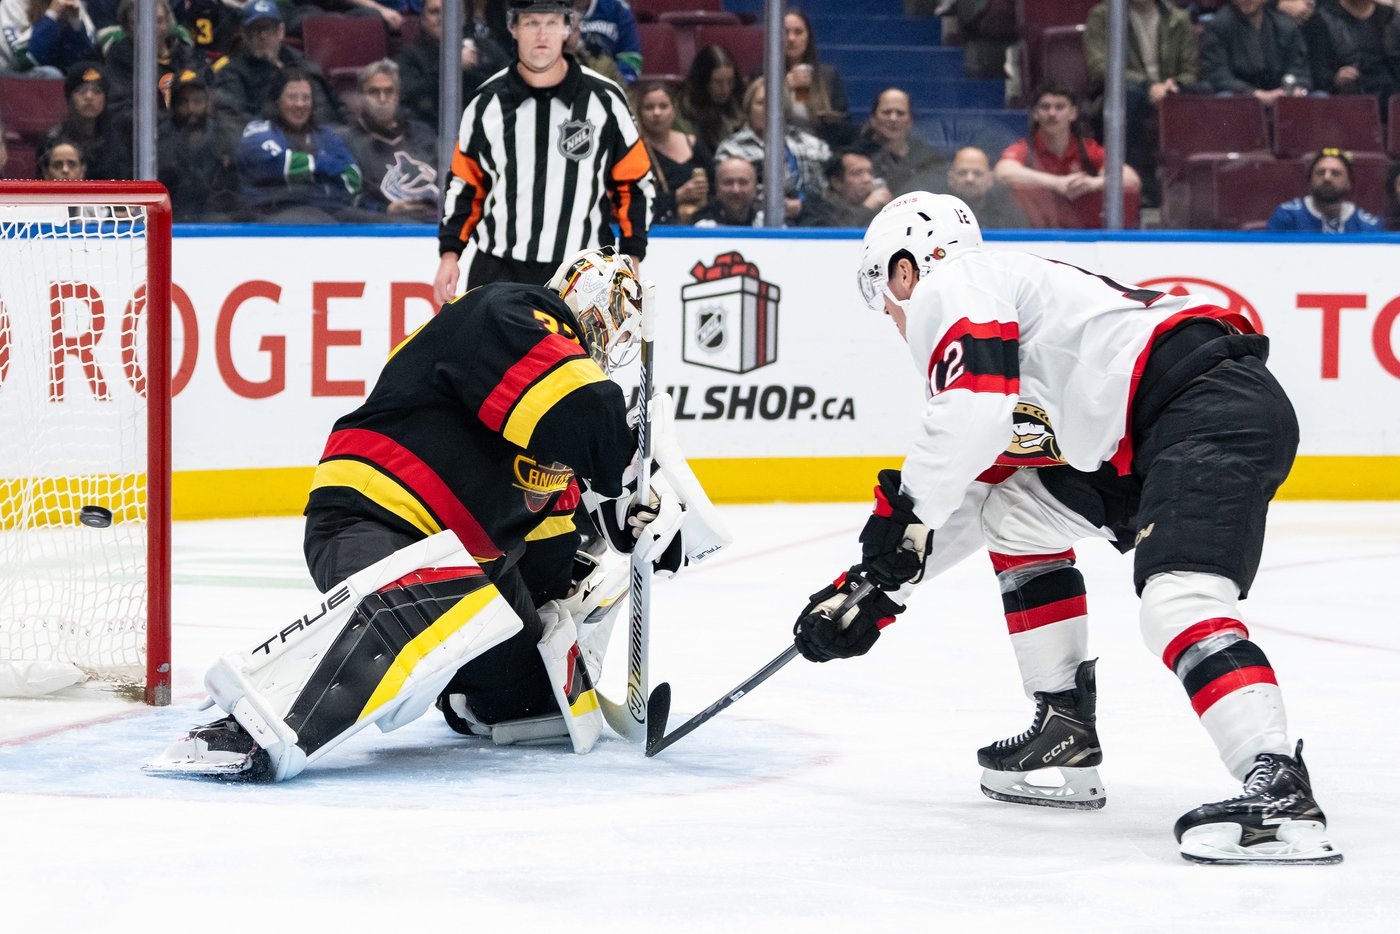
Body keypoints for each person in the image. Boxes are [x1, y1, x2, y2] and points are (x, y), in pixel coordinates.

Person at [793, 190, 1342, 865]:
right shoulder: (1007, 315)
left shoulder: (954, 283)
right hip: (1146, 432)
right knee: (1015, 518)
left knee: (1178, 602)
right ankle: (1063, 724)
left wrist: (903, 517)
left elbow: (970, 415)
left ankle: (1277, 782)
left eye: (886, 297)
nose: (893, 316)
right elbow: (975, 486)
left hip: (1201, 411)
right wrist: (874, 590)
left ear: (904, 269)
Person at [150, 248, 713, 781]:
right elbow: (585, 409)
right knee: (442, 597)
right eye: (616, 332)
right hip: (377, 519)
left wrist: (636, 536)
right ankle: (252, 723)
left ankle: (484, 702)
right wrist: (629, 462)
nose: (613, 351)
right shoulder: (509, 312)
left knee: (528, 658)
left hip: (460, 558)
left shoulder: (558, 420)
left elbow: (548, 553)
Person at [433, 0, 654, 305]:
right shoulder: (486, 103)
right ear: (513, 28)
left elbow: (635, 183)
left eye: (551, 23)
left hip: (583, 274)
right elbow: (465, 185)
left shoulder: (605, 100)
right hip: (499, 270)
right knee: (494, 355)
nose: (541, 34)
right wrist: (450, 254)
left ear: (567, 29)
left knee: (579, 356)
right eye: (531, 23)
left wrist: (632, 254)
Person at [1084, 0, 1197, 206]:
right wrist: (1147, 85)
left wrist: (1173, 84)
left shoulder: (1178, 18)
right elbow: (1099, 66)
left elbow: (1190, 70)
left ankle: (1189, 192)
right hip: (1125, 93)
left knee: (1202, 92)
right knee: (1130, 95)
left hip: (1168, 92)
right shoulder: (1103, 16)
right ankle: (1131, 186)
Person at [995, 84, 1139, 228]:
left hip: (1084, 233)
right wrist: (1057, 183)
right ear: (1035, 113)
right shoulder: (1025, 149)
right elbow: (1002, 172)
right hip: (1035, 233)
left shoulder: (1088, 150)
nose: (1052, 113)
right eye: (1045, 107)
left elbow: (1131, 180)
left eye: (1059, 107)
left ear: (1073, 113)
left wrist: (1093, 184)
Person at [235, 66, 364, 222]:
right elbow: (275, 164)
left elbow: (354, 178)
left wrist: (307, 174)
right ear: (277, 100)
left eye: (306, 98)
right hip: (272, 216)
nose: (300, 104)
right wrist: (324, 166)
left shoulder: (327, 135)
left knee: (386, 223)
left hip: (329, 211)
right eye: (292, 97)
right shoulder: (258, 131)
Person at [715, 76, 830, 224]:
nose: (768, 110)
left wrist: (805, 207)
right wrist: (781, 207)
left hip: (815, 222)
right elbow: (730, 197)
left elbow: (830, 190)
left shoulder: (808, 142)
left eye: (775, 103)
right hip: (758, 224)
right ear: (749, 108)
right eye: (761, 103)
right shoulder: (732, 148)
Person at [212, 0, 343, 128]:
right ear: (244, 35)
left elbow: (332, 108)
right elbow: (233, 121)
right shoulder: (232, 74)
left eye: (268, 29)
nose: (262, 36)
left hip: (318, 137)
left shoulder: (302, 65)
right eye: (255, 30)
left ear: (281, 31)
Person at [343, 58, 441, 221]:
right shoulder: (348, 141)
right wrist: (386, 209)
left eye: (389, 91)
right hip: (384, 228)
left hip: (435, 221)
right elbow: (347, 200)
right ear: (361, 97)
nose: (382, 99)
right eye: (374, 92)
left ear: (397, 95)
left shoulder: (423, 134)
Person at [395, 0, 512, 129]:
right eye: (434, 12)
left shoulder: (487, 48)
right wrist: (451, 68)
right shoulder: (409, 55)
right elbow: (407, 93)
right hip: (432, 132)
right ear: (422, 18)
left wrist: (474, 69)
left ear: (464, 17)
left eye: (448, 12)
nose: (442, 18)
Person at [100, 0, 211, 120]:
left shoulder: (186, 53)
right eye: (140, 22)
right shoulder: (120, 58)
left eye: (159, 21)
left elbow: (208, 92)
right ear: (127, 27)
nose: (151, 29)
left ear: (168, 22)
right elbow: (121, 110)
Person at [157, 70, 241, 221]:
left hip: (216, 220)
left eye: (197, 101)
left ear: (207, 103)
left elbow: (234, 191)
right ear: (173, 105)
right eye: (183, 102)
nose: (190, 109)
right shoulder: (159, 138)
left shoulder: (224, 136)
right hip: (171, 219)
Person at [1200, 0, 1311, 105]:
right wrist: (1255, 94)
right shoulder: (1219, 25)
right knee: (1225, 97)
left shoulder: (1285, 26)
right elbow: (1218, 74)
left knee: (1319, 97)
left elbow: (1299, 70)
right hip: (1241, 98)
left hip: (1283, 97)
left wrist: (1294, 89)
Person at [633, 79, 709, 226]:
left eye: (663, 106)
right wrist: (678, 196)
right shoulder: (632, 150)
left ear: (674, 109)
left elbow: (715, 188)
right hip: (654, 228)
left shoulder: (692, 143)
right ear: (639, 113)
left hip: (697, 225)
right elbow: (632, 202)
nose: (656, 113)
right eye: (649, 107)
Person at [44, 61, 131, 180]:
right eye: (81, 91)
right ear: (70, 98)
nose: (89, 97)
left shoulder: (119, 139)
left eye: (97, 91)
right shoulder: (54, 139)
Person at [1266, 147, 1383, 232]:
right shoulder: (1288, 216)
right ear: (1310, 180)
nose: (1327, 178)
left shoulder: (1366, 225)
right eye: (1320, 173)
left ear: (1348, 183)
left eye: (1336, 173)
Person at [855, 87, 945, 197]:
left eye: (900, 113)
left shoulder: (928, 158)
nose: (893, 118)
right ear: (873, 119)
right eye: (887, 112)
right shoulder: (855, 156)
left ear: (910, 121)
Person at [782, 6, 850, 145]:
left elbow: (842, 125)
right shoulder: (762, 75)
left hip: (821, 151)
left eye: (798, 32)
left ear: (808, 37)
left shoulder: (829, 76)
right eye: (785, 32)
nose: (791, 38)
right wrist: (784, 89)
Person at [1319, 0, 1399, 102]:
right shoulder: (1323, 18)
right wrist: (1335, 79)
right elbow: (1319, 71)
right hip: (1348, 95)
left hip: (1391, 93)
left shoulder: (1390, 17)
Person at [1275, 0, 1359, 95]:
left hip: (1317, 84)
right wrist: (1278, 6)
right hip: (1274, 81)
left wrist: (1334, 78)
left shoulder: (1320, 20)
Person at [675, 43, 744, 155]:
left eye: (730, 81)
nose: (725, 89)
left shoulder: (740, 101)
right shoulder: (685, 107)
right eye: (718, 82)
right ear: (703, 81)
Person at [800, 148, 891, 228]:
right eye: (857, 173)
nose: (868, 179)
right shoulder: (818, 210)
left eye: (870, 172)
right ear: (837, 183)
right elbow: (836, 238)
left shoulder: (879, 209)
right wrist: (866, 209)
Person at [0, 0, 95, 75]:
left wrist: (75, 22)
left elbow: (83, 63)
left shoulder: (73, 3)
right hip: (11, 74)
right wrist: (52, 15)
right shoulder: (12, 3)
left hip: (55, 72)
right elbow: (26, 60)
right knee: (51, 73)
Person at [943, 145, 1027, 228]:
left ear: (990, 179)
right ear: (951, 178)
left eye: (977, 173)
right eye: (962, 172)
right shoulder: (939, 209)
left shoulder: (1010, 213)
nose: (969, 179)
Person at [572, 0, 639, 84]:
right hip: (570, 82)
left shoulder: (617, 8)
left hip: (610, 80)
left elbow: (631, 59)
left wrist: (611, 83)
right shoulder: (555, 9)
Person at [692, 155, 763, 227]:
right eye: (728, 182)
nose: (736, 190)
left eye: (743, 182)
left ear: (755, 188)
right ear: (716, 188)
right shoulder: (703, 226)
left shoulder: (767, 221)